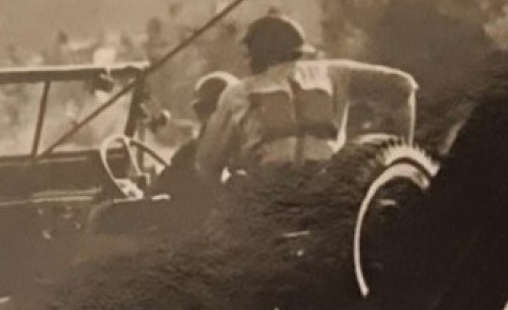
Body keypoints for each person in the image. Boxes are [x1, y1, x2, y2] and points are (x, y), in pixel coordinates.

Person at [193, 14, 417, 185]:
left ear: (259, 55)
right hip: (326, 192)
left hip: (266, 199)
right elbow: (403, 86)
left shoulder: (238, 93)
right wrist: (401, 156)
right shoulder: (333, 73)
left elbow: (207, 165)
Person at [147, 70, 235, 199]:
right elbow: (163, 185)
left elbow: (158, 189)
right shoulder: (191, 151)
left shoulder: (195, 151)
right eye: (202, 110)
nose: (208, 117)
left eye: (212, 109)